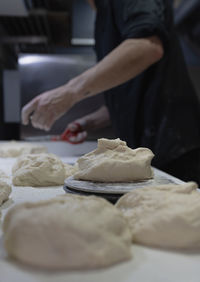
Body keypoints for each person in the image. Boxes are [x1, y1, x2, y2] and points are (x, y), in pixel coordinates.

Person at [22, 0, 200, 185]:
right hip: (147, 150)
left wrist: (70, 91)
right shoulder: (104, 13)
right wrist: (88, 122)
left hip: (174, 148)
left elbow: (148, 47)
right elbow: (129, 94)